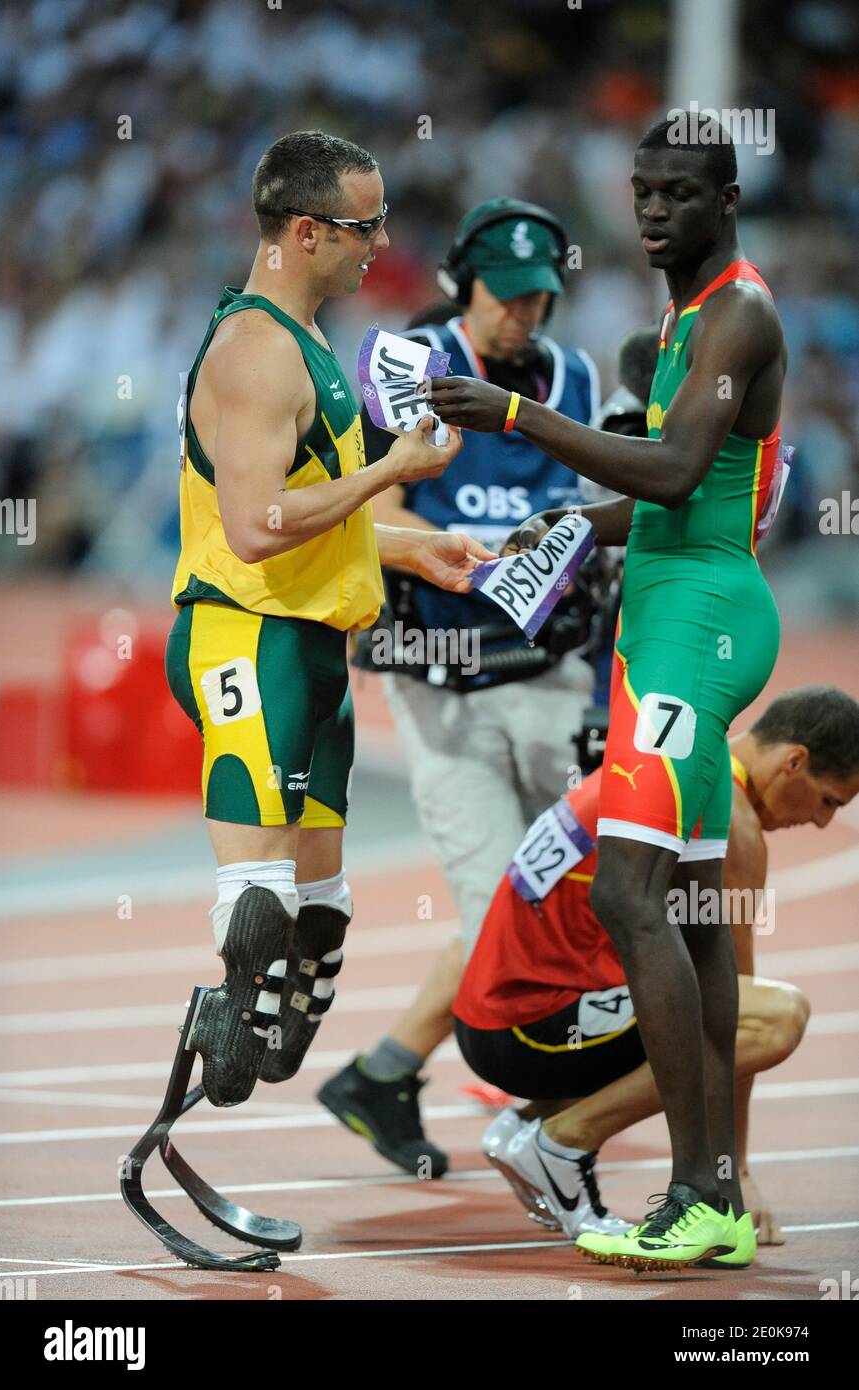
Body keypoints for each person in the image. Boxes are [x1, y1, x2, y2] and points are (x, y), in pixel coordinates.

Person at [427, 115, 791, 1267]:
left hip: (698, 623)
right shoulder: (683, 320)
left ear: (723, 203)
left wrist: (523, 419)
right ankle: (716, 1196)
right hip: (668, 614)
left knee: (631, 895)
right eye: (640, 190)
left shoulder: (738, 312)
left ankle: (692, 1192)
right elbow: (674, 493)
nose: (649, 211)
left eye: (676, 194)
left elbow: (681, 471)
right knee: (685, 906)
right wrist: (577, 521)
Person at [163, 129, 493, 1107]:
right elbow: (257, 528)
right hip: (245, 630)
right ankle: (218, 1032)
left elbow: (316, 508)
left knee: (319, 908)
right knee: (258, 892)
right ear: (306, 231)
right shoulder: (260, 351)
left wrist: (409, 543)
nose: (381, 242)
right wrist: (392, 473)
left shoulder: (310, 344)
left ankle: (258, 1006)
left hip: (312, 639)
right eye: (364, 224)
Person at [317, 199, 608, 1174]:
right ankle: (547, 1125)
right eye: (508, 294)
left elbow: (587, 508)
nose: (526, 311)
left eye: (541, 295)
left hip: (547, 677)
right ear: (462, 284)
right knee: (502, 916)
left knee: (563, 902)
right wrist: (443, 551)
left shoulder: (572, 375)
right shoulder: (412, 367)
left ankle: (384, 1071)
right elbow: (374, 510)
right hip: (440, 682)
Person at [455, 685, 859, 1266]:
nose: (822, 823)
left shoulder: (676, 768)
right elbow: (730, 1020)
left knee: (679, 993)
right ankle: (561, 1141)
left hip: (500, 1020)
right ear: (793, 762)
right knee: (775, 1017)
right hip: (533, 1029)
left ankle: (529, 1124)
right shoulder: (733, 822)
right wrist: (731, 1175)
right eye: (828, 801)